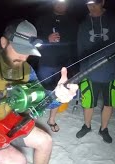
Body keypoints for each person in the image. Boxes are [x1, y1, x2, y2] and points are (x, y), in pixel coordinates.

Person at [0, 19, 78, 164]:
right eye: (19, 49)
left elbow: (40, 99)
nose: (24, 57)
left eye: (28, 51)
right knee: (18, 163)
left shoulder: (26, 69)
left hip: (8, 121)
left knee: (45, 141)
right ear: (3, 42)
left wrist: (59, 96)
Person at [75, 0, 115, 144]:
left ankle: (103, 129)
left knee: (109, 103)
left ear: (102, 2)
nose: (92, 7)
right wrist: (82, 70)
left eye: (95, 3)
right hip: (90, 71)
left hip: (111, 71)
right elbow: (80, 49)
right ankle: (86, 126)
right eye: (88, 4)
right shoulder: (84, 24)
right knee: (88, 102)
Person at [35, 0, 78, 132]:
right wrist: (46, 39)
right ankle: (34, 117)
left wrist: (73, 66)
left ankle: (51, 119)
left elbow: (74, 44)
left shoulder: (73, 22)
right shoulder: (42, 19)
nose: (61, 4)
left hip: (63, 65)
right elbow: (33, 40)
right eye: (58, 2)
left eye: (64, 2)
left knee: (58, 92)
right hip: (45, 63)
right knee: (41, 91)